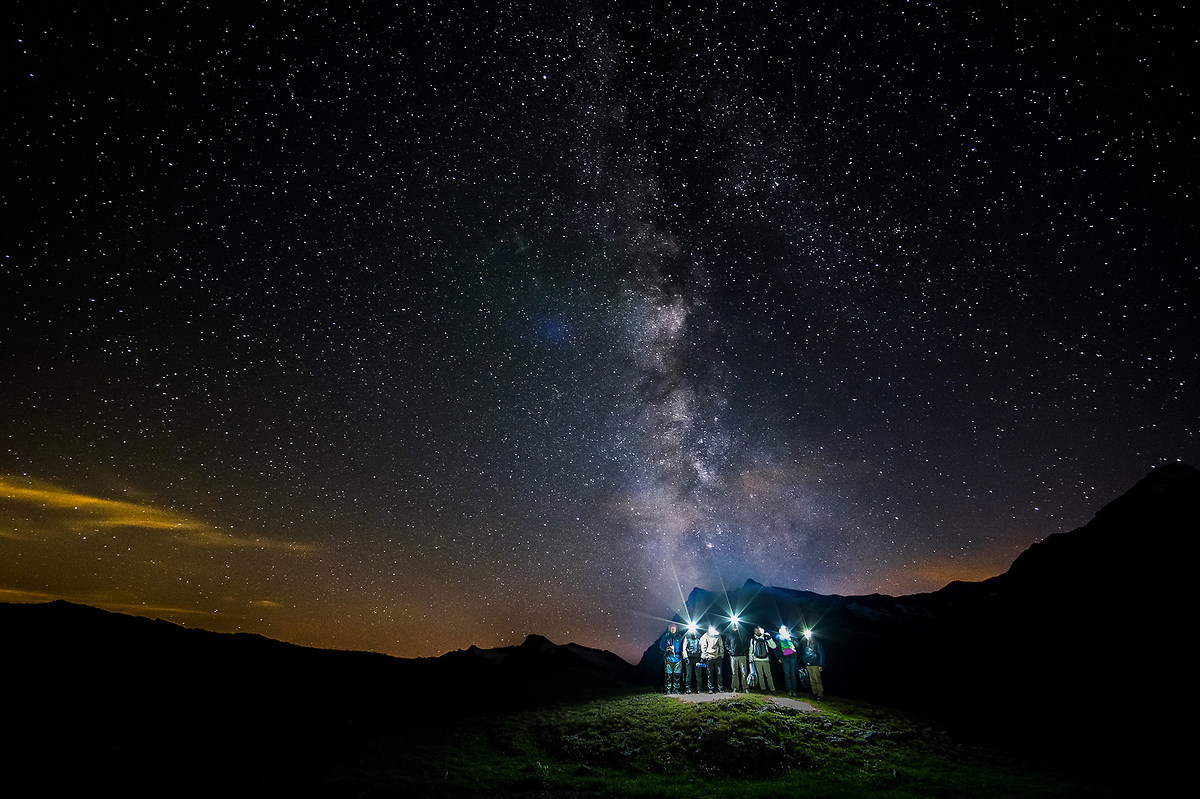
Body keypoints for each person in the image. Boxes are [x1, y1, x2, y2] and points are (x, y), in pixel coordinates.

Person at [723, 618, 751, 692]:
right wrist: (730, 651)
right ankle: (735, 687)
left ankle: (745, 687)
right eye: (733, 625)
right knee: (734, 672)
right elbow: (726, 644)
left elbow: (747, 643)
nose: (734, 626)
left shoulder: (742, 633)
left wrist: (744, 651)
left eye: (736, 625)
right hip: (733, 656)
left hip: (742, 655)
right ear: (731, 626)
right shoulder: (729, 635)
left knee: (744, 672)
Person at [658, 622, 685, 694]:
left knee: (677, 675)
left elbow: (683, 646)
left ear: (676, 629)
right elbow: (661, 646)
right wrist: (666, 649)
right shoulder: (665, 636)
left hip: (677, 657)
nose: (673, 630)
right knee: (668, 675)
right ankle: (668, 689)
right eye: (671, 629)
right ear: (669, 629)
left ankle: (676, 689)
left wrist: (682, 655)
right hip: (668, 657)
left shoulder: (679, 636)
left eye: (674, 629)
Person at [749, 626, 777, 694]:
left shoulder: (765, 638)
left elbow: (774, 646)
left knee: (768, 674)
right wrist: (751, 660)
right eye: (755, 631)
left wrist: (769, 638)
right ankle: (763, 689)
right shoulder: (752, 640)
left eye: (758, 630)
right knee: (760, 675)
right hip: (756, 659)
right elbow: (751, 650)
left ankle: (772, 689)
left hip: (765, 659)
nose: (757, 632)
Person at [801, 629, 827, 700]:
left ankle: (820, 695)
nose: (806, 635)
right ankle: (814, 694)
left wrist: (821, 664)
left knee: (817, 679)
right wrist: (805, 661)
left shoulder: (816, 643)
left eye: (807, 634)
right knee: (812, 680)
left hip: (815, 663)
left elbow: (822, 654)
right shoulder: (805, 643)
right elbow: (804, 653)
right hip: (808, 664)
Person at [777, 625, 801, 697]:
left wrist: (790, 639)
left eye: (784, 629)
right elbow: (776, 649)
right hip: (784, 658)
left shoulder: (791, 636)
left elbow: (797, 645)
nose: (783, 630)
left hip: (792, 657)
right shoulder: (779, 638)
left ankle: (794, 690)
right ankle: (789, 690)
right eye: (781, 629)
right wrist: (778, 658)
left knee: (793, 674)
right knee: (787, 674)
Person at [680, 622, 704, 694]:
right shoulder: (687, 636)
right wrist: (686, 657)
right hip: (689, 658)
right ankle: (688, 689)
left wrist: (702, 657)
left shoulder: (698, 636)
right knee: (688, 674)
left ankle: (699, 689)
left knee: (698, 675)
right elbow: (684, 648)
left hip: (697, 658)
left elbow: (702, 647)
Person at [700, 625, 725, 693]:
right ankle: (710, 688)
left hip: (717, 657)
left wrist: (721, 655)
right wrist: (705, 656)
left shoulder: (718, 636)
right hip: (709, 657)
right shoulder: (705, 636)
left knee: (719, 673)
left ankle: (720, 688)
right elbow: (703, 646)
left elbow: (721, 646)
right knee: (709, 674)